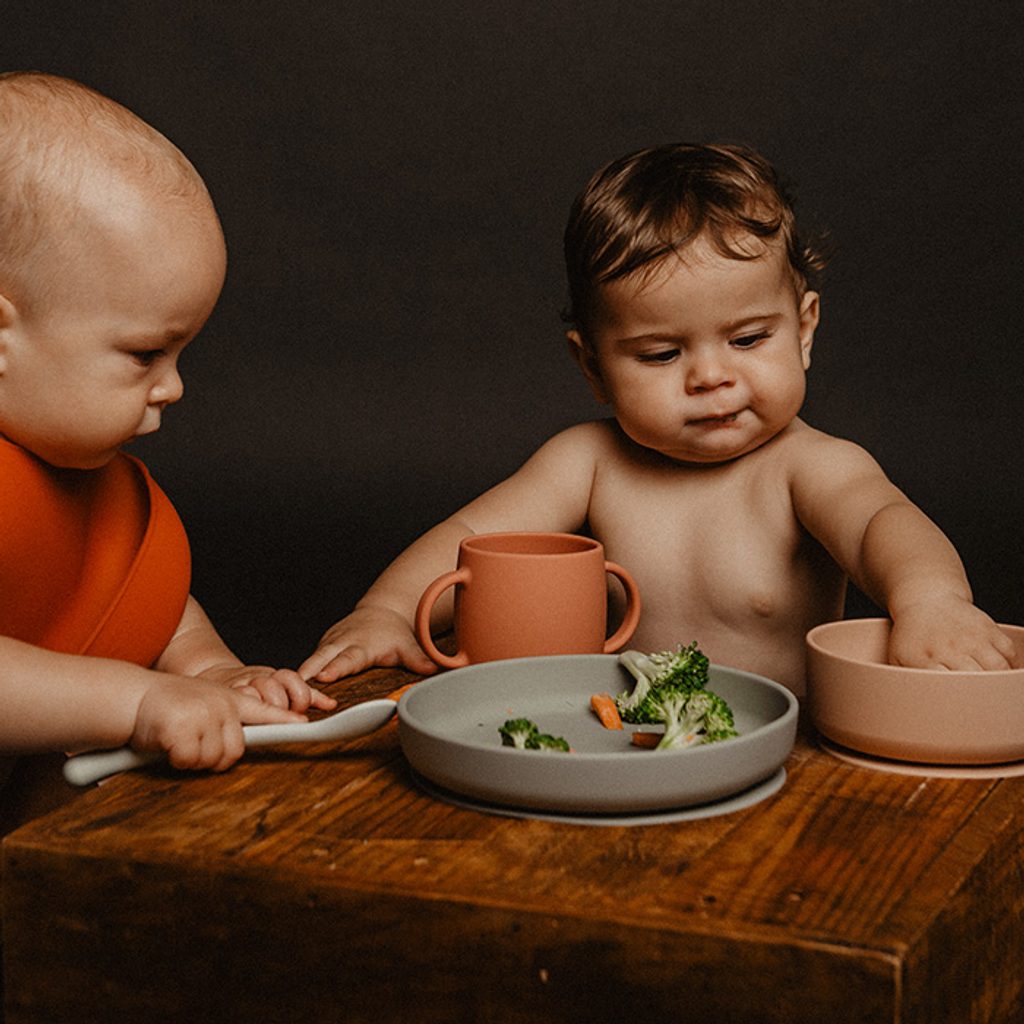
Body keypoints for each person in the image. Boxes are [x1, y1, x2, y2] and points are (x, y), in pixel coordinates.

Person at [300, 142, 1018, 695]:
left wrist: (933, 602)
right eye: (660, 353)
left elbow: (880, 525)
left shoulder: (811, 466)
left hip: (785, 761)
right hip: (626, 744)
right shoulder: (587, 462)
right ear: (592, 368)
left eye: (747, 339)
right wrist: (387, 612)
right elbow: (467, 542)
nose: (710, 376)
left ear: (804, 329)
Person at [0, 71, 335, 813]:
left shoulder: (82, 478)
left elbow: (140, 596)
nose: (174, 387)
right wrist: (137, 702)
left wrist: (206, 671)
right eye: (145, 355)